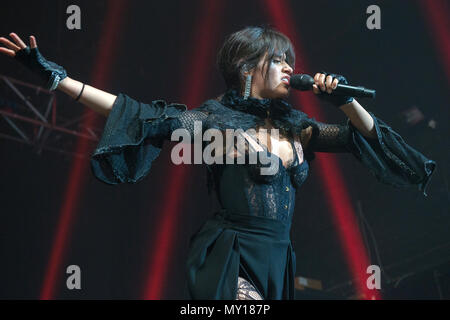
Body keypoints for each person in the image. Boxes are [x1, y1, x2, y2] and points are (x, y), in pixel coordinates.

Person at [0, 26, 436, 300]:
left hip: (278, 258)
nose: (289, 68)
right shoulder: (212, 122)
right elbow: (131, 111)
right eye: (278, 59)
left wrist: (345, 100)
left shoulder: (298, 126)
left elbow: (369, 139)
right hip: (231, 253)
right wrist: (57, 79)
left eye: (291, 61)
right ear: (248, 66)